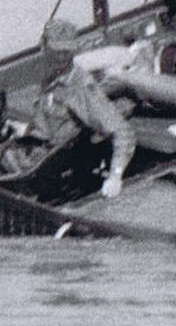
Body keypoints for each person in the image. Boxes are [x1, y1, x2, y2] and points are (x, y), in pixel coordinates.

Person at [29, 19, 139, 197]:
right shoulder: (49, 77)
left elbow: (121, 131)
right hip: (36, 154)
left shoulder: (79, 85)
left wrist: (115, 176)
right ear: (44, 47)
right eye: (57, 50)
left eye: (67, 50)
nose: (62, 56)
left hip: (54, 170)